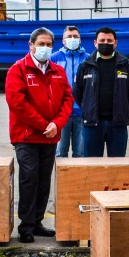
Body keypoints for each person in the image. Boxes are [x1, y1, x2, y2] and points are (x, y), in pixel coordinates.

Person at [5, 27, 74, 243]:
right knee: (29, 180)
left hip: (49, 136)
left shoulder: (57, 71)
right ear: (31, 45)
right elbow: (17, 102)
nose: (44, 48)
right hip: (26, 137)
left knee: (44, 181)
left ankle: (37, 222)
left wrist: (57, 124)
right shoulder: (18, 70)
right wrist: (45, 124)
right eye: (41, 44)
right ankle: (25, 226)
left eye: (48, 44)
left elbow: (67, 100)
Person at [76, 26, 129, 157]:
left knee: (116, 167)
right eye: (102, 40)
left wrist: (123, 107)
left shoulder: (126, 64)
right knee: (92, 166)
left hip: (118, 124)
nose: (105, 43)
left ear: (116, 43)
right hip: (92, 124)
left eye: (109, 41)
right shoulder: (85, 65)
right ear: (95, 43)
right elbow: (77, 92)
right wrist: (87, 108)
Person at [50, 25, 88, 158]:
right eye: (69, 37)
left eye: (75, 37)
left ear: (80, 39)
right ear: (63, 40)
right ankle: (61, 179)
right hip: (61, 114)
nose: (73, 39)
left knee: (81, 153)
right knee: (60, 153)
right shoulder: (53, 58)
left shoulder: (88, 59)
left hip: (82, 112)